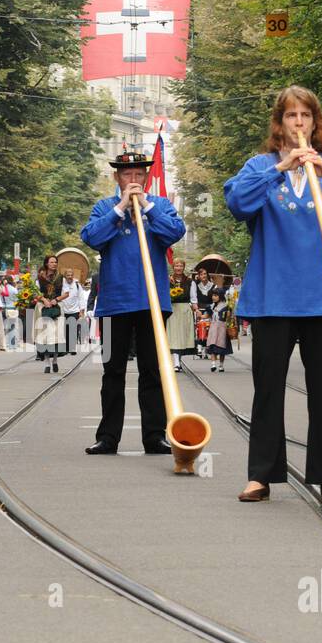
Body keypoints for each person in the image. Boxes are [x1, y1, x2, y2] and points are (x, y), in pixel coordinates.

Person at [224, 84, 322, 502]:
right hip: (274, 297)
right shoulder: (259, 166)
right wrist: (282, 166)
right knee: (268, 387)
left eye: (305, 116)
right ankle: (261, 475)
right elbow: (238, 203)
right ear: (279, 124)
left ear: (315, 121)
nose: (299, 123)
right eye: (291, 116)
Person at [80, 149, 185, 454]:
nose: (133, 180)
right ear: (117, 177)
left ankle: (155, 435)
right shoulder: (105, 207)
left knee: (153, 371)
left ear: (146, 177)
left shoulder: (161, 206)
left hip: (153, 305)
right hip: (113, 304)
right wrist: (121, 208)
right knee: (112, 371)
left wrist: (148, 208)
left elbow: (175, 232)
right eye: (127, 175)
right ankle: (108, 437)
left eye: (139, 175)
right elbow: (91, 237)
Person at [36, 255, 66, 373]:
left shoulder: (60, 277)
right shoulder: (39, 278)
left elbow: (66, 293)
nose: (54, 264)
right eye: (52, 262)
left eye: (55, 262)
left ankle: (55, 360)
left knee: (56, 336)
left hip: (57, 308)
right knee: (45, 336)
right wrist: (43, 300)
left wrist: (56, 300)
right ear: (47, 264)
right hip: (43, 308)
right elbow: (35, 292)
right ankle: (47, 363)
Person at [167, 258, 195, 372]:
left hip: (184, 310)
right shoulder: (168, 279)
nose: (178, 268)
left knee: (183, 336)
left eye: (180, 266)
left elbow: (193, 298)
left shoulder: (189, 281)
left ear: (183, 267)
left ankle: (178, 359)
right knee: (174, 336)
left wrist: (196, 309)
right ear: (173, 267)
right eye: (176, 266)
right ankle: (176, 363)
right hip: (172, 309)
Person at [206, 286, 232, 373]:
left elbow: (228, 318)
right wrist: (199, 314)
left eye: (216, 295)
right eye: (213, 295)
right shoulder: (211, 306)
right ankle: (213, 364)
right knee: (212, 346)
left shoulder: (226, 306)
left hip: (222, 329)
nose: (213, 297)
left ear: (220, 296)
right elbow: (207, 316)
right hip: (213, 329)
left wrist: (229, 315)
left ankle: (221, 365)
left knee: (221, 348)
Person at [59, 265, 85, 355]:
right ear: (65, 276)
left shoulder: (77, 285)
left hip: (74, 311)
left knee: (73, 329)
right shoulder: (61, 284)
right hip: (64, 310)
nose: (70, 277)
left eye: (71, 275)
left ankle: (72, 348)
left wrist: (82, 311)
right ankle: (66, 348)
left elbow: (81, 298)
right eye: (68, 275)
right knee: (65, 330)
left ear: (73, 276)